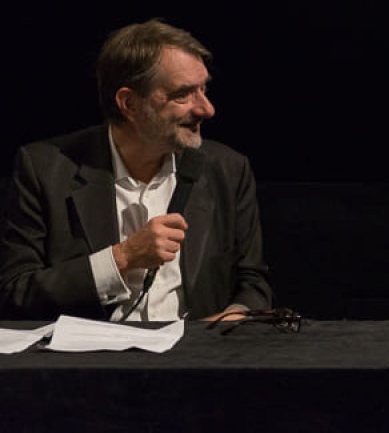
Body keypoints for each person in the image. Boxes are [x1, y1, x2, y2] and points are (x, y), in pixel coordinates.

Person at [0, 18, 272, 321]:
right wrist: (123, 257)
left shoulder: (227, 169)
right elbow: (15, 292)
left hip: (196, 358)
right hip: (90, 361)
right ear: (128, 103)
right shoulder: (45, 170)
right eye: (183, 94)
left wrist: (228, 321)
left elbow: (252, 282)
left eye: (204, 89)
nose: (207, 109)